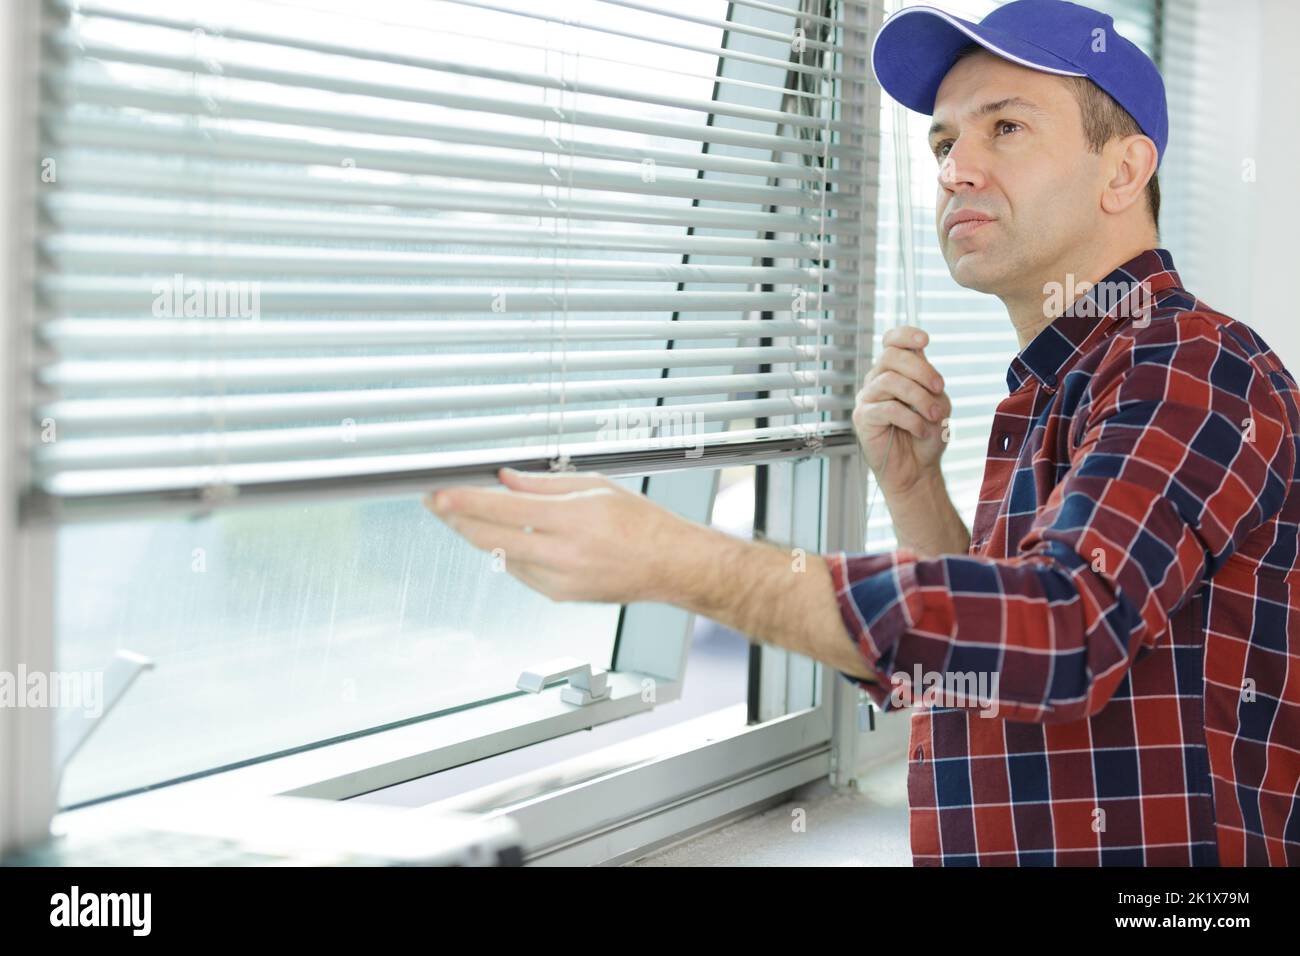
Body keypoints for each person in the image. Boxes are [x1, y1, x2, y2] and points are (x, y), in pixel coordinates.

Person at [425, 0, 1300, 866]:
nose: (957, 168)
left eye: (1006, 127)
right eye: (945, 142)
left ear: (1123, 170)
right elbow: (986, 679)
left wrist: (677, 561)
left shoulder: (1190, 363)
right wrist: (914, 491)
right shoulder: (1059, 387)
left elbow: (1063, 638)